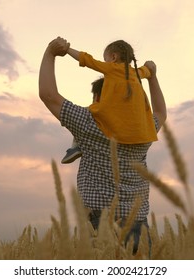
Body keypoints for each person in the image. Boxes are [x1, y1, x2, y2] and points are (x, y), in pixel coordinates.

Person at [39, 37, 166, 255]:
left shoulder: (90, 122)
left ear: (101, 96)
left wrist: (50, 53)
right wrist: (153, 78)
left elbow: (48, 95)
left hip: (101, 224)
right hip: (139, 226)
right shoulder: (146, 130)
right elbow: (161, 113)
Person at [61, 39, 157, 164]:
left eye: (105, 59)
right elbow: (149, 69)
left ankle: (76, 146)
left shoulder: (111, 68)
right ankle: (76, 145)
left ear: (113, 57)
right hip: (140, 133)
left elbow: (87, 60)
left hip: (114, 127)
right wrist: (150, 65)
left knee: (88, 111)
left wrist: (67, 49)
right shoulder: (137, 73)